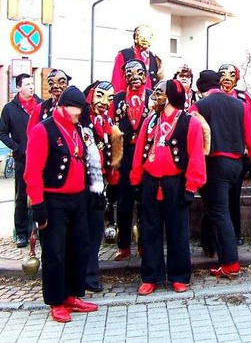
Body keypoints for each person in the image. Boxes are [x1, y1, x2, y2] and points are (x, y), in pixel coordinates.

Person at [24, 86, 99, 323]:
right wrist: (38, 206)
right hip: (54, 199)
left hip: (78, 199)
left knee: (79, 248)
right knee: (55, 252)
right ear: (64, 107)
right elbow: (32, 172)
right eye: (78, 109)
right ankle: (56, 301)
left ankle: (72, 295)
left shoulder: (78, 129)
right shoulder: (42, 130)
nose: (81, 113)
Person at [131, 80, 206, 295]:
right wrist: (136, 180)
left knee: (178, 231)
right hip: (150, 182)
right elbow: (139, 153)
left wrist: (191, 186)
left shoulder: (189, 122)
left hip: (176, 183)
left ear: (171, 96)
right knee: (150, 230)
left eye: (158, 93)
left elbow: (196, 156)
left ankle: (179, 275)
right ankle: (151, 276)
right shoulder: (149, 121)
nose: (153, 97)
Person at [191, 71, 251, 278]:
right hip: (236, 164)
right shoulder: (240, 104)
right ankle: (209, 245)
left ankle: (230, 263)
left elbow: (192, 136)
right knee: (216, 208)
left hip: (214, 164)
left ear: (201, 89)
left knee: (220, 212)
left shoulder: (199, 107)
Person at [81, 81, 122, 293]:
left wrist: (111, 181)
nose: (105, 102)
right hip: (80, 187)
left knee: (95, 230)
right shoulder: (81, 122)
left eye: (110, 98)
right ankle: (81, 274)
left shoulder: (106, 121)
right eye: (101, 96)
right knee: (82, 232)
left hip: (99, 187)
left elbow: (107, 154)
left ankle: (90, 273)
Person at [112, 59, 153, 261]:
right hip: (125, 154)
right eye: (129, 73)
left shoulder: (154, 97)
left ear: (146, 74)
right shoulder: (117, 98)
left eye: (139, 72)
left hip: (146, 154)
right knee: (124, 202)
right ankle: (124, 245)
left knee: (146, 200)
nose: (134, 76)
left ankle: (145, 243)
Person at [0, 74, 42, 248]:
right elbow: (2, 132)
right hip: (22, 160)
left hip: (40, 158)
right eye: (27, 84)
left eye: (33, 84)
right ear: (18, 87)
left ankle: (39, 229)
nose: (31, 87)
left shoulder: (41, 105)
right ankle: (22, 233)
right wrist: (17, 147)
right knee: (21, 197)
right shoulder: (10, 109)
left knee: (40, 194)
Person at [219, 63, 251, 245]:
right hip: (217, 155)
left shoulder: (243, 98)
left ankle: (235, 233)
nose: (227, 78)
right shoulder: (212, 97)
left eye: (231, 75)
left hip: (238, 155)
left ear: (236, 78)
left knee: (234, 195)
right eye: (223, 74)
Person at [111, 25, 163, 92]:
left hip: (148, 99)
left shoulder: (155, 58)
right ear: (135, 38)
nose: (144, 39)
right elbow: (116, 81)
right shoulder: (124, 54)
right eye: (141, 36)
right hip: (128, 98)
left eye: (148, 36)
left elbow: (160, 82)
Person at [27, 69, 71, 133]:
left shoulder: (74, 107)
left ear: (67, 85)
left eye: (61, 82)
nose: (55, 86)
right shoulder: (39, 108)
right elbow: (31, 133)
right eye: (51, 83)